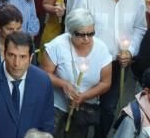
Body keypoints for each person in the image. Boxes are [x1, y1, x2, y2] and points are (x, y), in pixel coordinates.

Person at [72, 0, 147, 135]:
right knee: (82, 104)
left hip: (118, 64)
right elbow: (75, 27)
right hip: (90, 61)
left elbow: (140, 27)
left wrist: (131, 50)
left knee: (108, 108)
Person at [40, 8, 113, 138]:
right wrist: (63, 84)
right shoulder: (57, 46)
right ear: (70, 32)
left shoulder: (101, 49)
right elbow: (44, 74)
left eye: (91, 33)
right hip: (56, 105)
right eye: (80, 34)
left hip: (83, 108)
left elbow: (106, 82)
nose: (86, 39)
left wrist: (83, 96)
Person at [0, 31, 55, 138]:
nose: (16, 63)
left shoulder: (43, 81)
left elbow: (47, 124)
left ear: (31, 57)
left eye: (22, 57)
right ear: (4, 54)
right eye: (12, 55)